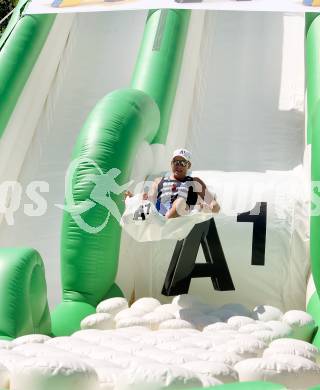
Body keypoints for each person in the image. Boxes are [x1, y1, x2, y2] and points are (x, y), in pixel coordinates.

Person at [125, 148, 220, 219]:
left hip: (181, 217)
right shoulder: (159, 181)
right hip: (160, 214)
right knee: (142, 196)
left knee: (180, 202)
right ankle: (137, 219)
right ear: (171, 163)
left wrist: (211, 207)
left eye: (183, 163)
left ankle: (164, 221)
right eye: (176, 162)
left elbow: (213, 204)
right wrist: (134, 199)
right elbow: (150, 199)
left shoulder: (194, 182)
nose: (179, 166)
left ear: (188, 165)